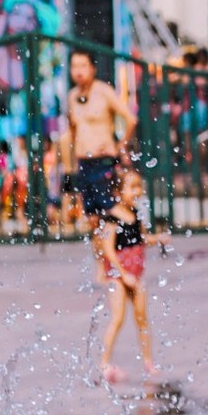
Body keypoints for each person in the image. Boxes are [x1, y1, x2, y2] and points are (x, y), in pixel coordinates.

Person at [97, 165, 166, 385]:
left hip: (135, 275)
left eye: (139, 187)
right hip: (118, 276)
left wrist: (159, 239)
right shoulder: (112, 218)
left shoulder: (136, 214)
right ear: (118, 192)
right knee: (117, 318)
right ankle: (104, 363)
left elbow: (142, 239)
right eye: (132, 187)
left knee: (142, 318)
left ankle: (148, 361)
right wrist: (123, 274)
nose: (137, 192)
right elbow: (108, 249)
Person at [66, 50, 130, 266]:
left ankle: (133, 243)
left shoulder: (104, 92)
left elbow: (131, 119)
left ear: (93, 68)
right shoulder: (72, 96)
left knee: (110, 210)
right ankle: (103, 268)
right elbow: (73, 129)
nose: (79, 71)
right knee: (93, 219)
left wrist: (119, 146)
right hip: (84, 162)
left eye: (83, 66)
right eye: (74, 66)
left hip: (104, 161)